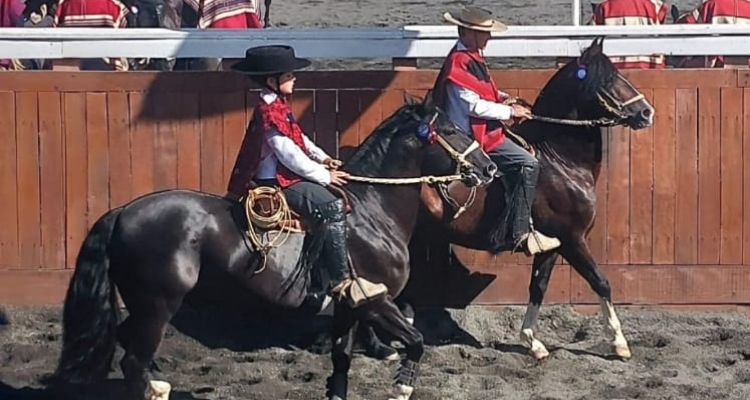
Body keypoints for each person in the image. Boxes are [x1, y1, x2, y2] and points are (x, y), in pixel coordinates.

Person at [226, 45, 388, 308]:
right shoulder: (269, 112)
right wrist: (325, 176)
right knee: (332, 205)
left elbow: (300, 139)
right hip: (274, 180)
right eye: (289, 75)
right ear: (272, 80)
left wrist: (323, 158)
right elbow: (288, 154)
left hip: (285, 174)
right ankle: (339, 281)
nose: (294, 78)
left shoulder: (277, 105)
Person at [431, 6, 561, 256]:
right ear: (468, 32)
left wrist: (504, 98)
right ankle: (519, 232)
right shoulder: (461, 62)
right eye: (484, 33)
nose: (488, 37)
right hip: (470, 136)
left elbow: (482, 93)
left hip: (480, 129)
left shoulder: (470, 57)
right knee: (528, 164)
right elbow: (473, 106)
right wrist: (511, 112)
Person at [589, 0, 668, 69]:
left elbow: (591, 40)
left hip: (615, 72)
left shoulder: (604, 8)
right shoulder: (653, 6)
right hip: (650, 69)